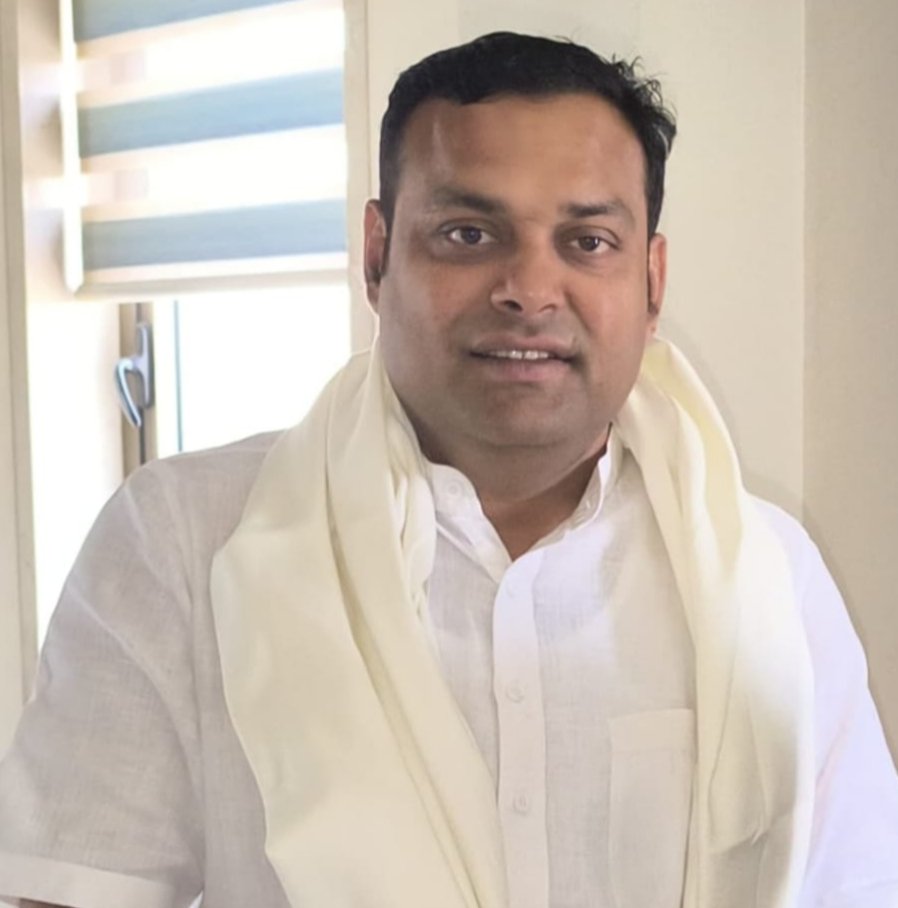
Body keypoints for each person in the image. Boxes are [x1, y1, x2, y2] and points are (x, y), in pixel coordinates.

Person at [1, 30, 897, 908]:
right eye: (469, 233)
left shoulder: (770, 580)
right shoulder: (184, 542)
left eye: (587, 241)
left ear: (652, 282)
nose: (529, 290)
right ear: (378, 255)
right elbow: (68, 885)